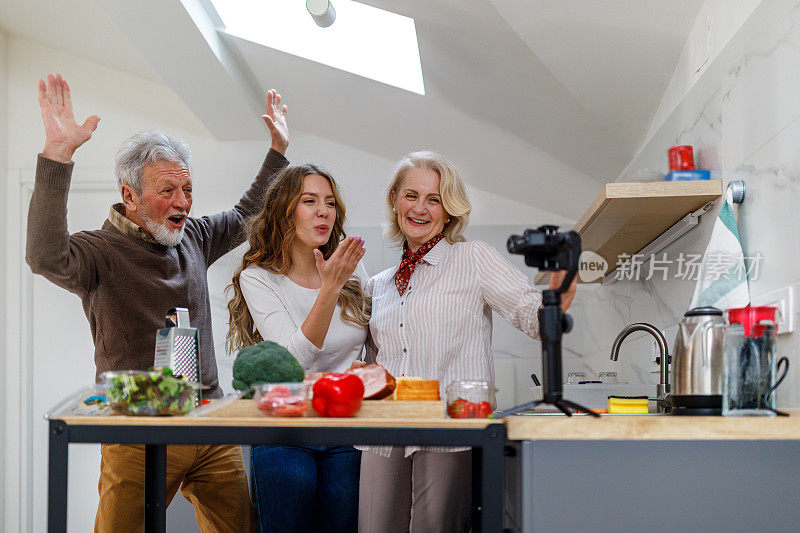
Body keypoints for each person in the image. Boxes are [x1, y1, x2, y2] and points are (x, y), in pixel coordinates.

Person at [26, 73, 290, 532]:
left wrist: (278, 153)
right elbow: (45, 255)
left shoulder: (194, 239)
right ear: (129, 196)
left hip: (209, 423)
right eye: (167, 190)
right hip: (136, 431)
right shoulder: (98, 253)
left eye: (186, 189)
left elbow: (250, 213)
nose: (183, 201)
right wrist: (58, 156)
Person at [357, 151, 577, 533]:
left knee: (435, 527)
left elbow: (535, 317)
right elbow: (378, 362)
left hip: (450, 429)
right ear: (395, 200)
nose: (420, 208)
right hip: (385, 429)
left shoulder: (472, 258)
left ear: (450, 210)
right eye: (411, 195)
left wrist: (564, 283)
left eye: (434, 199)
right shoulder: (379, 284)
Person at [226, 163, 369, 532]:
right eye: (310, 201)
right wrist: (329, 290)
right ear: (284, 211)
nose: (324, 211)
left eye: (330, 203)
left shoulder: (351, 269)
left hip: (348, 428)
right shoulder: (259, 278)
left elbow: (379, 344)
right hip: (285, 431)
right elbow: (291, 362)